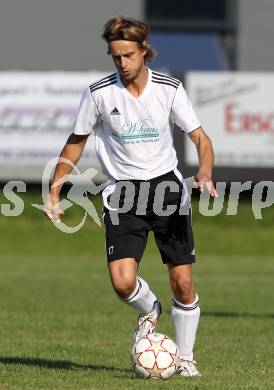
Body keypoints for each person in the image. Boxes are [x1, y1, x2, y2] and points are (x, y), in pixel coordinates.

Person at [44, 16, 217, 377]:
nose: (122, 63)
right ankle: (150, 308)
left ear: (144, 51)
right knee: (122, 282)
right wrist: (56, 186)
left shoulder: (169, 89)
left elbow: (201, 138)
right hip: (122, 194)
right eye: (115, 56)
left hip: (168, 191)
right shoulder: (98, 94)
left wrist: (203, 172)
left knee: (183, 282)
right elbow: (76, 143)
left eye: (128, 55)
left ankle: (185, 358)